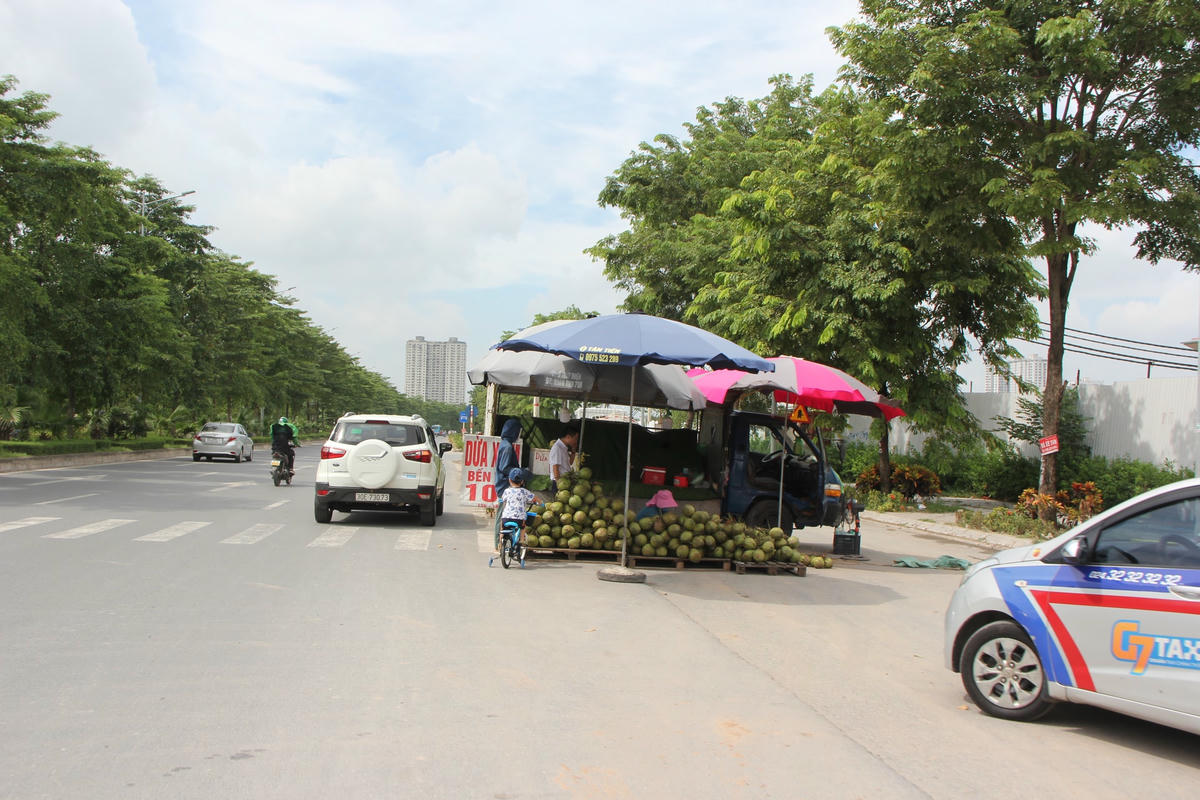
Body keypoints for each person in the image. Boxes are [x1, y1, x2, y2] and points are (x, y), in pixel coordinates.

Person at [490, 467, 535, 567]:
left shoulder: (506, 491)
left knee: (502, 528)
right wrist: (541, 503)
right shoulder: (524, 491)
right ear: (522, 481)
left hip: (506, 517)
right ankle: (521, 541)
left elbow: (503, 500)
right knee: (523, 527)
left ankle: (500, 544)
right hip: (519, 519)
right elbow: (534, 498)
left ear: (509, 480)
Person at [493, 418, 522, 549]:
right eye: (518, 431)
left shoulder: (505, 444)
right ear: (513, 431)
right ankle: (498, 544)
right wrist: (519, 473)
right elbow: (505, 468)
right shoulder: (507, 447)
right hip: (504, 487)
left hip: (503, 486)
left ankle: (501, 543)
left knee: (504, 515)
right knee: (502, 516)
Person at [548, 422, 580, 493]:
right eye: (575, 439)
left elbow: (570, 462)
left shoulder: (564, 447)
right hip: (560, 483)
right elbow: (555, 468)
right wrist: (559, 486)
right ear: (568, 437)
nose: (576, 441)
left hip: (565, 482)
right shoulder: (557, 448)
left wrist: (573, 451)